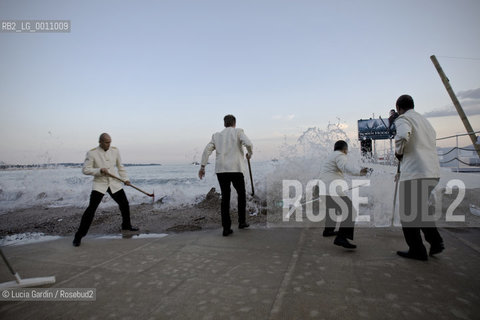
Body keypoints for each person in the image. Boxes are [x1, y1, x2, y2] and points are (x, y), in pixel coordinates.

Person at [394, 94, 444, 261]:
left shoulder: (403, 119)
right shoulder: (425, 122)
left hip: (415, 172)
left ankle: (417, 250)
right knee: (420, 211)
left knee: (408, 215)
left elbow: (402, 135)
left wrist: (398, 152)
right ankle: (436, 242)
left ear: (399, 108)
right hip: (432, 172)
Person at [73, 133, 139, 247]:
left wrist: (125, 179)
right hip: (100, 184)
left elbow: (120, 167)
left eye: (110, 142)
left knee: (124, 204)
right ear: (100, 142)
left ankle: (126, 226)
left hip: (114, 183)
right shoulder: (92, 153)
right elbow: (85, 170)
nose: (109, 144)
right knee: (91, 209)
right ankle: (78, 236)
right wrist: (99, 171)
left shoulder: (115, 150)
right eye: (107, 142)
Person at [199, 115, 253, 236]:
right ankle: (242, 222)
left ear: (224, 124)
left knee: (225, 198)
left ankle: (226, 228)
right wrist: (249, 154)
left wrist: (202, 167)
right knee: (241, 195)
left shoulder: (216, 135)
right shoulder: (238, 131)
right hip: (236, 169)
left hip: (221, 170)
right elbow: (248, 143)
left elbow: (207, 150)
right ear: (234, 123)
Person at [320, 140, 369, 249]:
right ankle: (341, 237)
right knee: (350, 211)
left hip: (324, 188)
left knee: (332, 208)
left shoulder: (331, 156)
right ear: (345, 149)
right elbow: (345, 167)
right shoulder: (340, 155)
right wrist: (360, 172)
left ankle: (328, 231)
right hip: (332, 187)